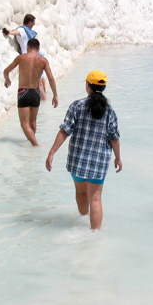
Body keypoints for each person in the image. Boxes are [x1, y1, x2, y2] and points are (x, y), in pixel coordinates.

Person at [45, 70, 122, 230]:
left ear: (88, 86)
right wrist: (118, 158)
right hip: (99, 161)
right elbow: (114, 137)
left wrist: (52, 152)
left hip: (78, 159)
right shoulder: (110, 112)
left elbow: (65, 131)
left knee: (81, 193)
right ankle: (94, 236)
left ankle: (82, 220)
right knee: (95, 198)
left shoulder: (77, 106)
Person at [3, 38, 58, 146]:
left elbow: (6, 71)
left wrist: (7, 79)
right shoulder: (43, 60)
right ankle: (32, 143)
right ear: (38, 49)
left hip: (23, 92)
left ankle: (35, 145)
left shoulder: (21, 58)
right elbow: (51, 79)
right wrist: (55, 95)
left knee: (24, 124)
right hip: (36, 93)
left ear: (27, 47)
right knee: (32, 122)